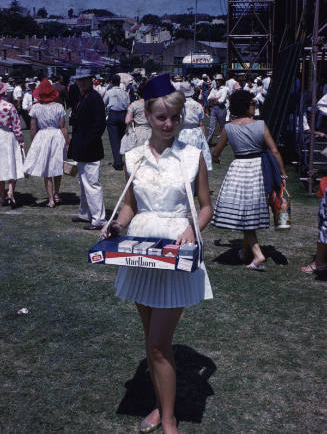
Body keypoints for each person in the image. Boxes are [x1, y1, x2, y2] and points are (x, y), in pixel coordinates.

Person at [102, 74, 213, 434]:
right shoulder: (133, 157)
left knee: (159, 344)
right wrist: (116, 226)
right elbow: (129, 207)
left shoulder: (192, 156)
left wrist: (191, 229)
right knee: (152, 344)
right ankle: (159, 406)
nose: (169, 125)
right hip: (141, 252)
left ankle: (168, 420)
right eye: (161, 117)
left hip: (176, 252)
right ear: (146, 115)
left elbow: (206, 207)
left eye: (175, 118)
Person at [211, 90, 287, 269]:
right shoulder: (260, 125)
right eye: (253, 104)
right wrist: (282, 173)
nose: (255, 107)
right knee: (249, 212)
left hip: (239, 169)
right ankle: (247, 253)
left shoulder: (229, 128)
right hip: (258, 169)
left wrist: (216, 158)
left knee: (244, 212)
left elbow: (217, 151)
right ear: (245, 106)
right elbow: (274, 151)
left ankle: (253, 254)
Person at [68, 67, 107, 230]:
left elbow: (99, 125)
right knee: (83, 183)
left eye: (85, 79)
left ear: (91, 80)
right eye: (79, 80)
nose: (82, 82)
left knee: (92, 184)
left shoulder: (94, 98)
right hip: (82, 146)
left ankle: (99, 219)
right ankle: (85, 213)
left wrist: (86, 142)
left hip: (90, 148)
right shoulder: (82, 96)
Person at [24, 78, 70, 207]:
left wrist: (33, 142)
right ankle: (56, 193)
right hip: (56, 135)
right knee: (57, 165)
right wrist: (67, 141)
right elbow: (62, 127)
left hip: (43, 136)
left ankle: (50, 199)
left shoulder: (35, 108)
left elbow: (33, 128)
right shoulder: (59, 107)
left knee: (47, 168)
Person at [175, 81, 212, 171]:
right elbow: (201, 124)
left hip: (185, 132)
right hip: (197, 131)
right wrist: (203, 137)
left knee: (185, 155)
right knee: (198, 154)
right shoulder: (198, 105)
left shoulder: (180, 105)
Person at [0, 81, 24, 208]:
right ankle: (10, 191)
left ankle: (2, 197)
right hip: (8, 136)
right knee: (12, 164)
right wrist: (21, 141)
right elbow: (17, 125)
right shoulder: (9, 106)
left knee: (0, 167)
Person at [104, 74, 130, 170]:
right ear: (119, 82)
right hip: (123, 115)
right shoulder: (125, 93)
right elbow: (128, 105)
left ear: (111, 82)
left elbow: (104, 102)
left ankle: (118, 162)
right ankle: (121, 159)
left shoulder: (109, 92)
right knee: (121, 138)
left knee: (114, 140)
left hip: (113, 114)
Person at [120, 85, 151, 154]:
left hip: (138, 133)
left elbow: (127, 121)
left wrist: (133, 119)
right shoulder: (153, 104)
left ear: (138, 93)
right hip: (152, 132)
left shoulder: (134, 105)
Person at [206, 75, 229, 146]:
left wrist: (213, 98)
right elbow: (208, 98)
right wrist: (216, 98)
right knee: (211, 126)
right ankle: (208, 142)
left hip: (221, 108)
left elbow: (222, 100)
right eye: (216, 80)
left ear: (221, 81)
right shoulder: (214, 89)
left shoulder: (225, 89)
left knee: (222, 126)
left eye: (218, 80)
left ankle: (224, 141)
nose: (216, 81)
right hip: (214, 108)